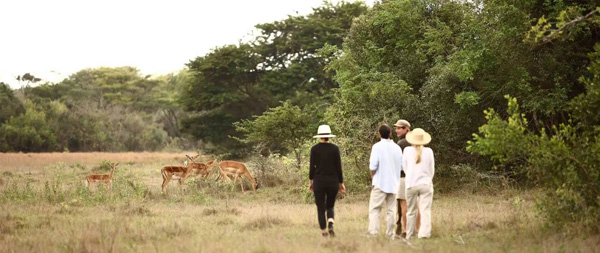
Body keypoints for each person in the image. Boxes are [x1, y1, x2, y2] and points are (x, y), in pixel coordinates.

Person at [309, 124, 346, 237]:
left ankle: (324, 231)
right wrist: (341, 183)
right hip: (333, 181)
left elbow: (312, 168)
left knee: (320, 208)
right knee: (330, 205)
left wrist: (311, 182)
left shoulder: (314, 149)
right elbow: (338, 167)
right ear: (329, 136)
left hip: (319, 181)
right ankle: (330, 222)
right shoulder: (335, 149)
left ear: (319, 136)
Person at [367, 124, 403, 238]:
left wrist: (373, 176)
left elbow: (373, 166)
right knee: (391, 210)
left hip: (380, 182)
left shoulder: (377, 147)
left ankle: (373, 233)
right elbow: (402, 167)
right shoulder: (397, 148)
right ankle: (390, 234)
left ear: (379, 134)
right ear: (390, 133)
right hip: (393, 183)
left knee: (375, 209)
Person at [403, 128, 435, 240]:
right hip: (425, 184)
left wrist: (411, 177)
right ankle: (424, 234)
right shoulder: (429, 151)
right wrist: (428, 180)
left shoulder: (406, 150)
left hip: (410, 184)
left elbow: (405, 168)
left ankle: (409, 234)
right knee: (425, 210)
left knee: (411, 211)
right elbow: (432, 170)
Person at [393, 119, 420, 238]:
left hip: (403, 176)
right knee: (415, 204)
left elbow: (398, 162)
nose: (397, 130)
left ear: (406, 129)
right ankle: (417, 229)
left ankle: (405, 230)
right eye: (396, 128)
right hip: (416, 177)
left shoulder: (401, 143)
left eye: (399, 128)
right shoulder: (415, 142)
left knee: (403, 205)